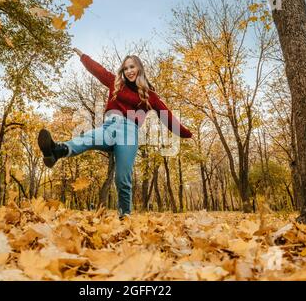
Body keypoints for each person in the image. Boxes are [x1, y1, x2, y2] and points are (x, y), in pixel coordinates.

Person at [38, 48, 192, 220]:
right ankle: (57, 150)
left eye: (132, 67)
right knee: (86, 138)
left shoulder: (150, 95)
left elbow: (167, 116)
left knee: (122, 178)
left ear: (139, 68)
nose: (129, 71)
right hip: (109, 127)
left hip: (129, 133)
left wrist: (186, 133)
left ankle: (124, 215)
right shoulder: (115, 82)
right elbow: (99, 71)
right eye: (125, 68)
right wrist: (83, 56)